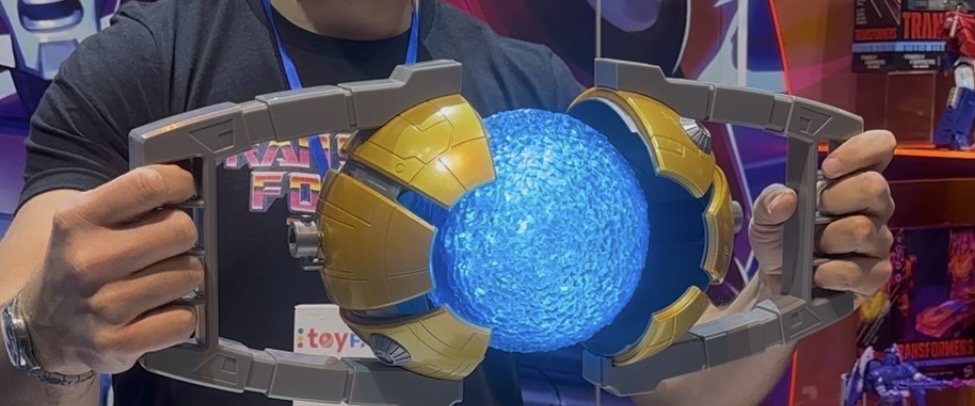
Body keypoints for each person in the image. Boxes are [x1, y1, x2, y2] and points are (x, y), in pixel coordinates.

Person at [0, 0, 896, 405]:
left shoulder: (530, 90)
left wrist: (783, 286)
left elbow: (683, 388)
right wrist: (41, 338)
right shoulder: (152, 61)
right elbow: (30, 344)